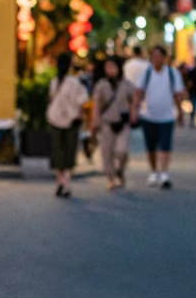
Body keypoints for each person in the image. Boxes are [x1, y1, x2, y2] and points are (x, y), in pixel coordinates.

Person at [131, 46, 186, 189]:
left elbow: (177, 94)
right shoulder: (146, 73)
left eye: (159, 56)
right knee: (151, 146)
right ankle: (153, 171)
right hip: (148, 115)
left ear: (165, 57)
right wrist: (134, 110)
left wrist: (180, 112)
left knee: (165, 145)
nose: (156, 59)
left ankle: (164, 173)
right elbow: (138, 92)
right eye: (154, 56)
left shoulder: (172, 73)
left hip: (167, 116)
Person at [46, 51, 89, 198]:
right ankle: (66, 182)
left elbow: (51, 99)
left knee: (58, 151)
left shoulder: (54, 82)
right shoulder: (75, 83)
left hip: (55, 119)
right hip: (72, 120)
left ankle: (60, 181)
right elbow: (83, 101)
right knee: (69, 152)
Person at [91, 57, 136, 190]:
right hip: (107, 122)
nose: (110, 70)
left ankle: (120, 170)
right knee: (107, 152)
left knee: (122, 150)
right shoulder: (101, 85)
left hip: (123, 122)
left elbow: (134, 100)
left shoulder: (126, 84)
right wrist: (95, 121)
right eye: (108, 67)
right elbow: (97, 105)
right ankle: (111, 178)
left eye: (113, 67)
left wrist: (134, 112)